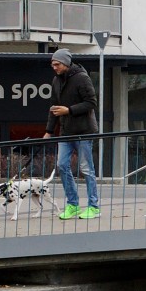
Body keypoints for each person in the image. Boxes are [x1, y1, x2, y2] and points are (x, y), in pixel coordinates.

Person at [42, 48, 100, 220]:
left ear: (66, 63)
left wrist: (69, 110)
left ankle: (93, 206)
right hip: (66, 132)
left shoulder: (82, 78)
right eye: (52, 64)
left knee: (86, 169)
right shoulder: (56, 80)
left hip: (84, 131)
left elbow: (91, 102)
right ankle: (73, 204)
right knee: (62, 165)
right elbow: (53, 107)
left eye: (57, 64)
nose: (54, 67)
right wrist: (48, 131)